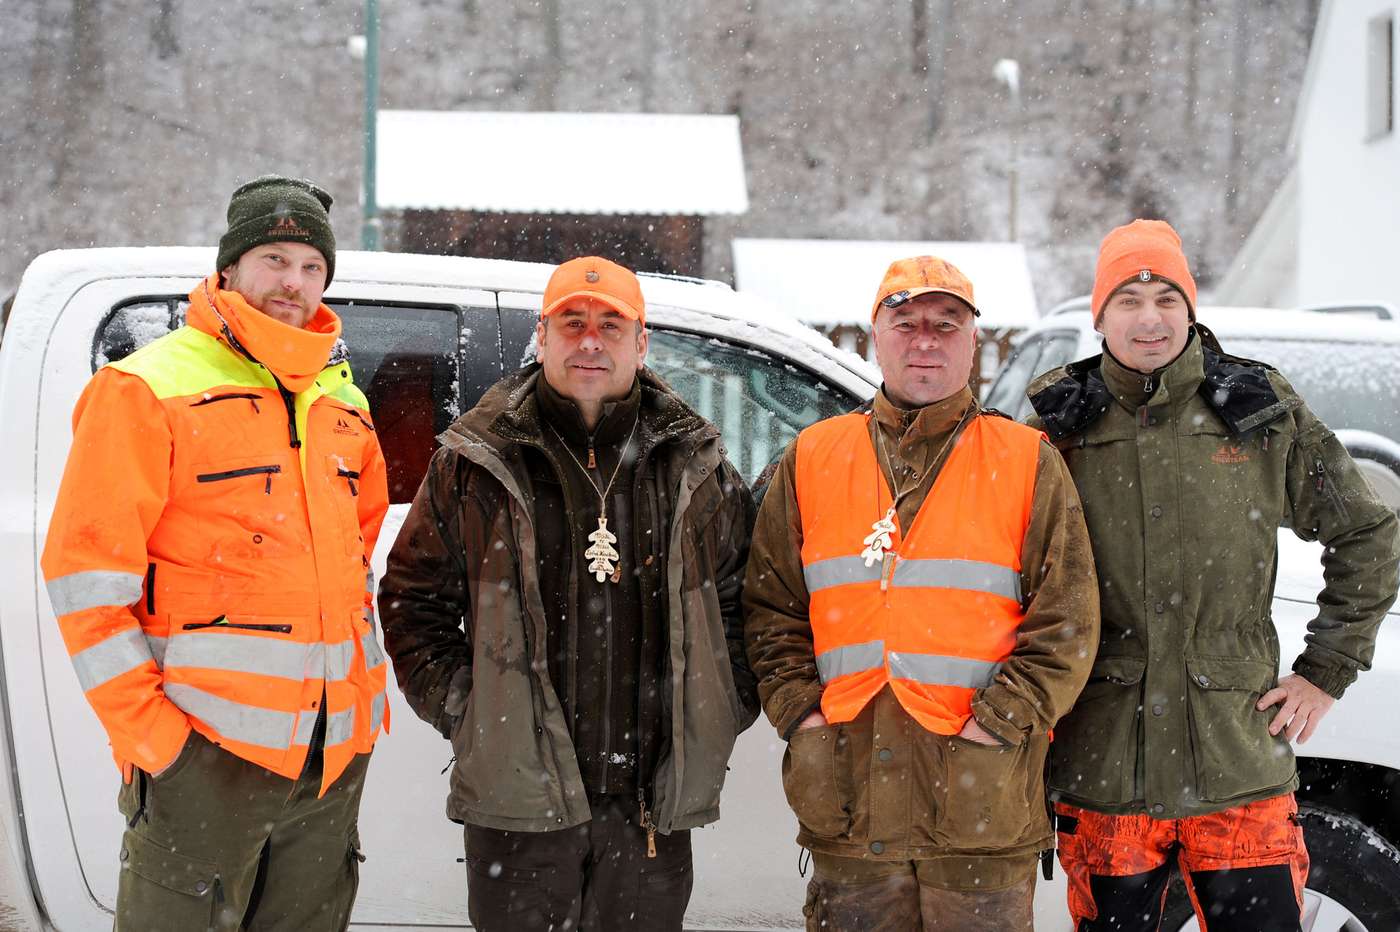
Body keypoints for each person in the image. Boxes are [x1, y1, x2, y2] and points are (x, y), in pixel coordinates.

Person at [1027, 219, 1400, 931]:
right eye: (1128, 299)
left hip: (1238, 767)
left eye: (1166, 298)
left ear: (1191, 309)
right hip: (1105, 772)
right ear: (1100, 316)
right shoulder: (1056, 426)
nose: (1149, 318)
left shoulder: (1258, 409)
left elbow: (1367, 531)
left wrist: (1326, 670)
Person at [41, 175, 390, 930]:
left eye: (311, 266)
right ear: (229, 267)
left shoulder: (344, 404)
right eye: (274, 259)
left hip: (330, 758)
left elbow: (355, 567)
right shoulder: (145, 388)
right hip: (204, 751)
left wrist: (356, 718)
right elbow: (85, 577)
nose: (293, 282)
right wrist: (158, 741)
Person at [378, 255, 758, 932]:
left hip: (648, 809)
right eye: (571, 323)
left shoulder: (695, 467)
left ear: (641, 342)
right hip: (519, 807)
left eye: (611, 325)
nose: (590, 341)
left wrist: (720, 707)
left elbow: (742, 606)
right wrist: (471, 713)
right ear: (543, 337)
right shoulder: (476, 462)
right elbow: (414, 601)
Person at [743, 255, 1099, 931]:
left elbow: (1068, 623)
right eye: (905, 324)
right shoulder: (814, 456)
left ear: (973, 341)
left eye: (946, 324)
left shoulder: (1026, 459)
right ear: (875, 336)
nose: (925, 340)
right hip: (849, 803)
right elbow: (771, 611)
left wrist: (996, 727)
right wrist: (803, 718)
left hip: (980, 811)